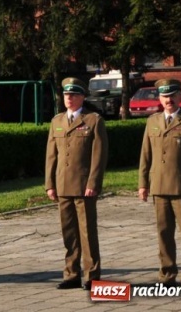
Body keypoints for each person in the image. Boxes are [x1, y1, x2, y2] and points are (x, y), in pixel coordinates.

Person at [138, 77, 181, 288]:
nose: (168, 100)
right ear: (159, 97)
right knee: (164, 233)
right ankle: (167, 274)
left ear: (180, 96)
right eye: (164, 96)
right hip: (158, 186)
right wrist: (143, 183)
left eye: (172, 95)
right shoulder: (152, 121)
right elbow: (145, 155)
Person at [45, 77, 108, 291]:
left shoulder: (93, 120)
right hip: (63, 186)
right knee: (68, 231)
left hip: (83, 186)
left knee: (87, 232)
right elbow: (51, 156)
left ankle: (92, 275)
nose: (69, 98)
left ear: (82, 97)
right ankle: (71, 274)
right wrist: (49, 184)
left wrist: (93, 182)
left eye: (73, 95)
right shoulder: (57, 122)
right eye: (66, 95)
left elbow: (98, 156)